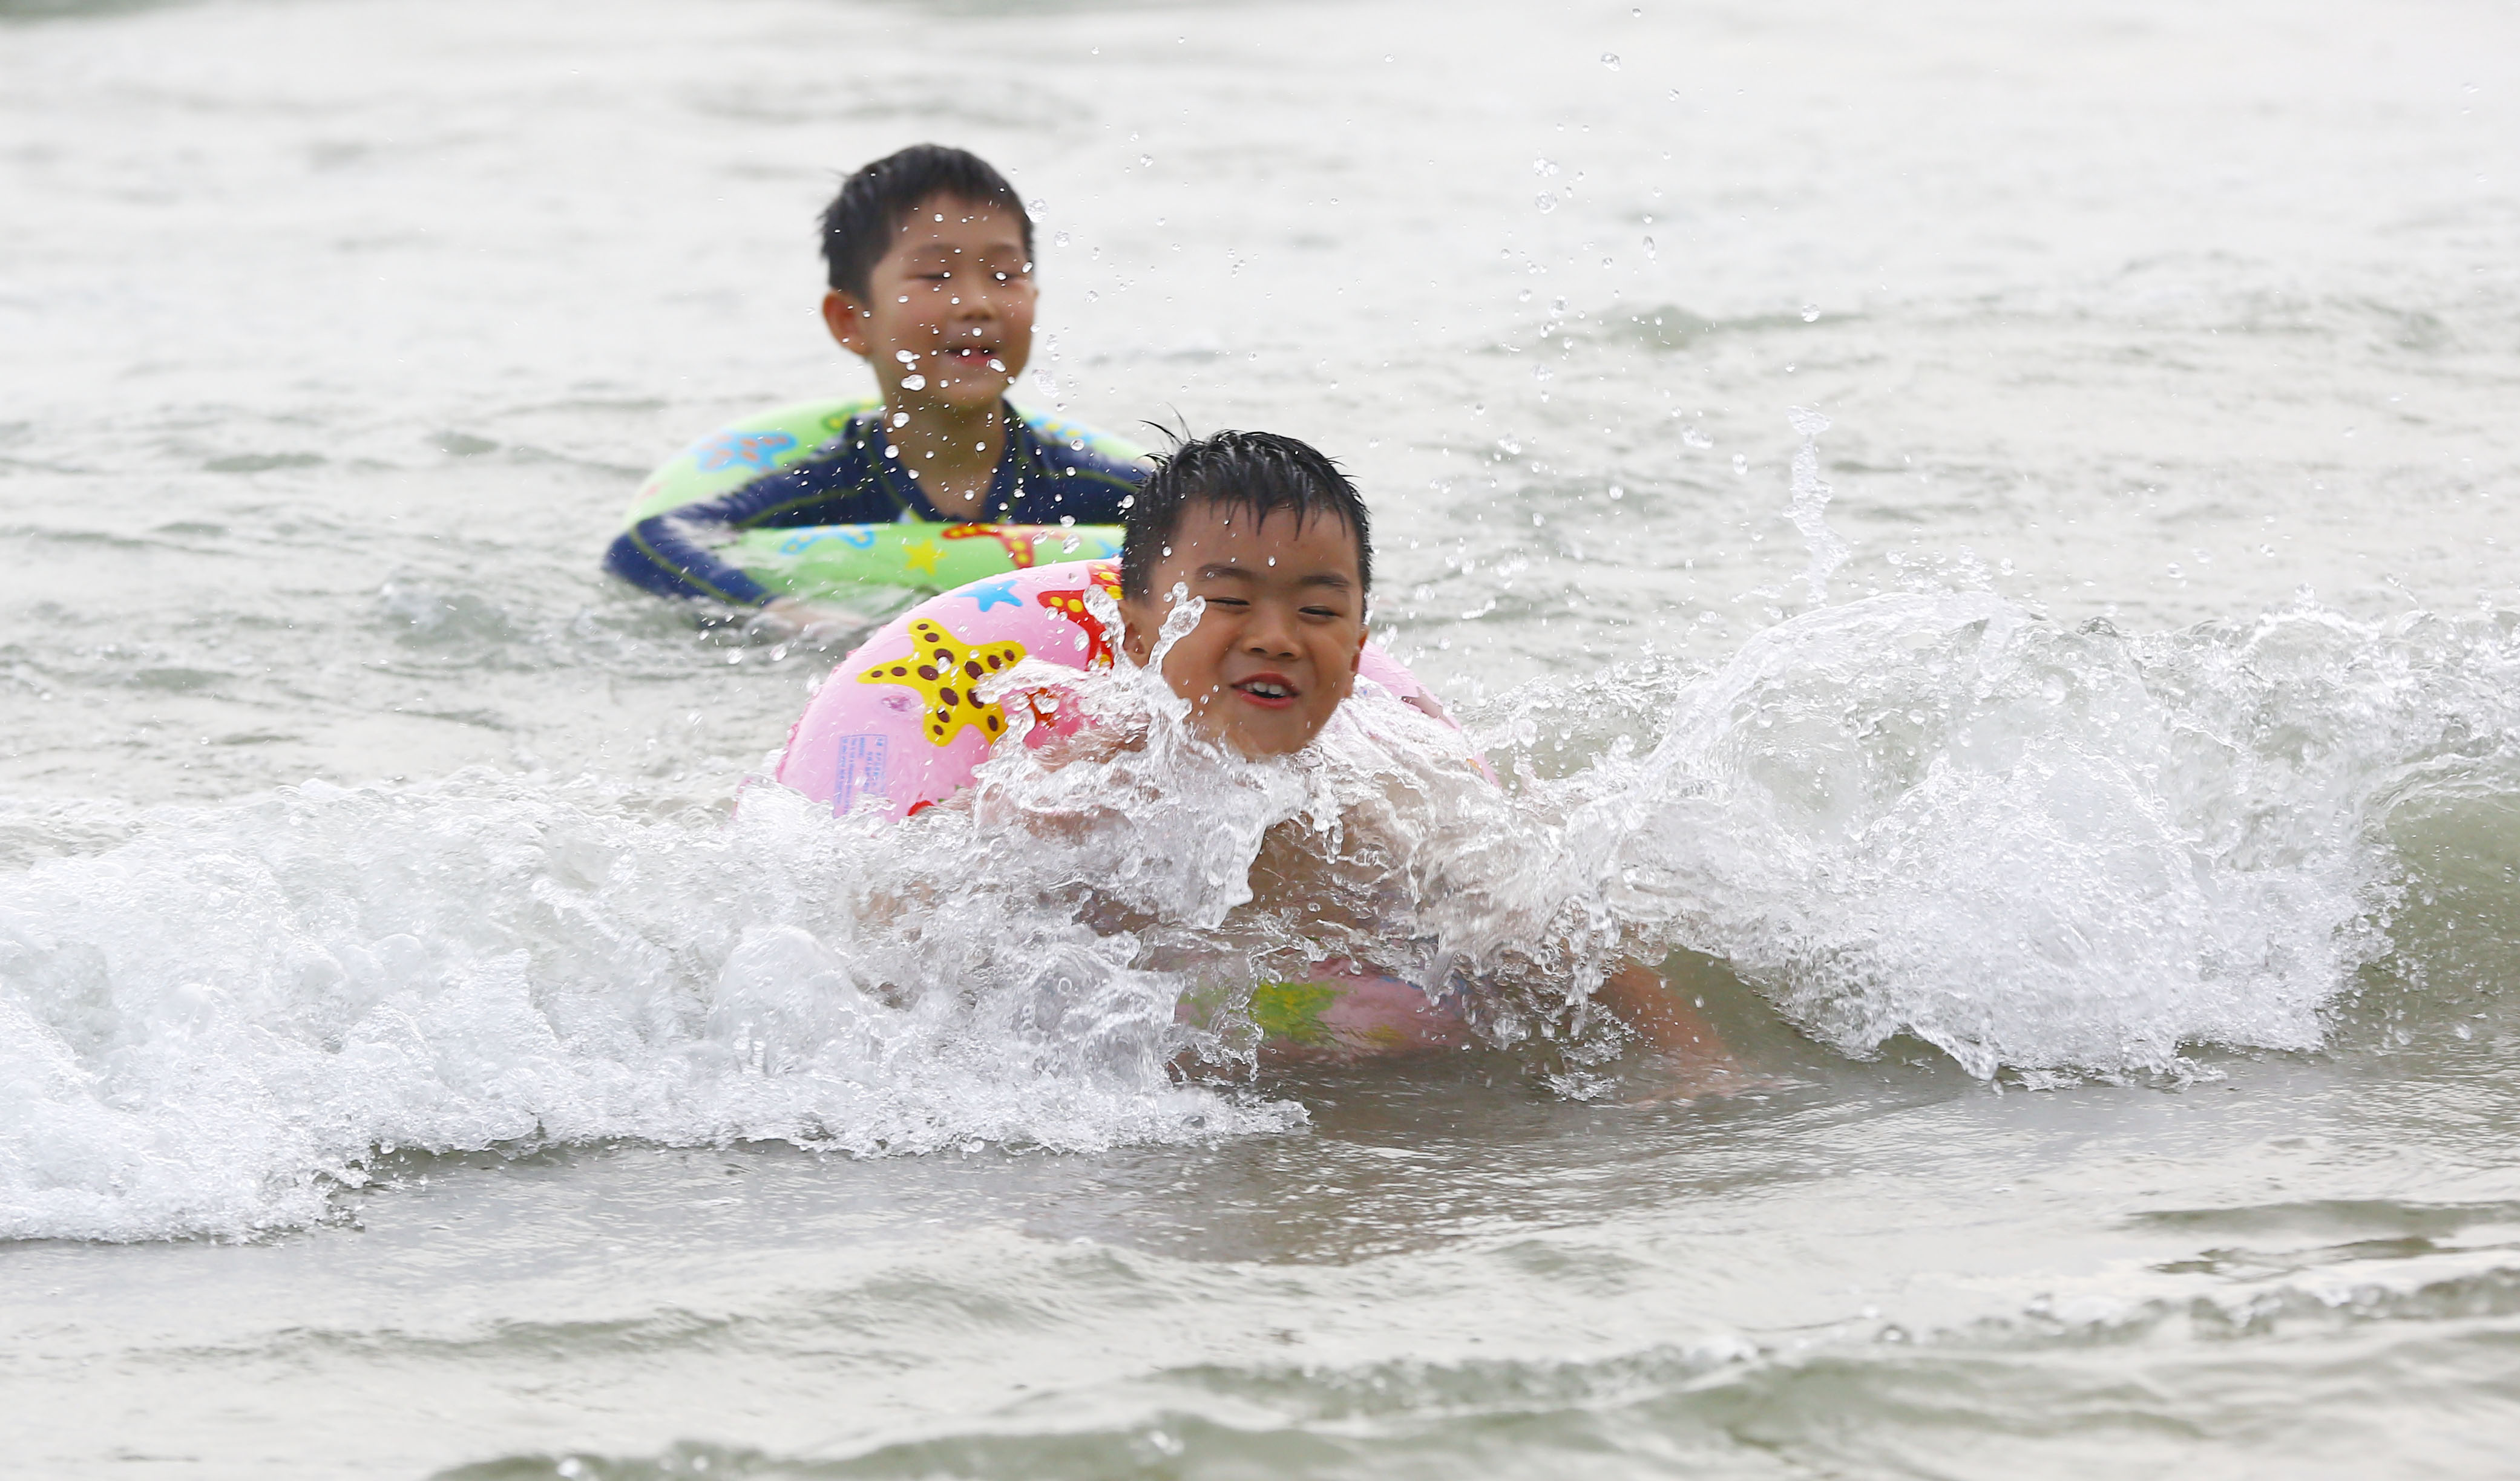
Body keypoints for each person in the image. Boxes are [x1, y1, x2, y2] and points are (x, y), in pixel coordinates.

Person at [1098, 430, 1750, 1093]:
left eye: (1318, 611)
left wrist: (1698, 1064)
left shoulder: (1388, 816)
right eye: (1230, 601)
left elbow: (1565, 938)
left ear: (1355, 655)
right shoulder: (1077, 804)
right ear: (1135, 638)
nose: (1277, 639)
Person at [604, 144, 1147, 633]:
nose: (978, 302)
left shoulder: (1082, 485)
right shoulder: (833, 487)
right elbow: (648, 544)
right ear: (851, 320)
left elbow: (1218, 519)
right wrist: (782, 613)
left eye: (1005, 275)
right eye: (936, 277)